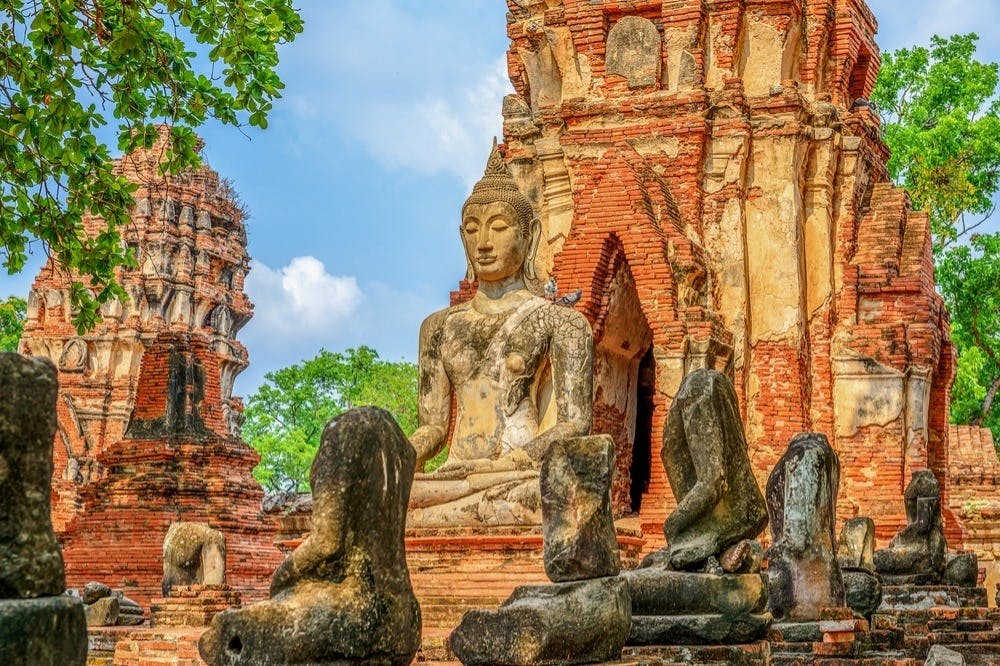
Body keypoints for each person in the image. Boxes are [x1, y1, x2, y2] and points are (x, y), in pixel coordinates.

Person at [407, 140, 593, 527]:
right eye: (473, 230)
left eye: (499, 227)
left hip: (517, 474)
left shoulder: (560, 322)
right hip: (452, 474)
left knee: (531, 498)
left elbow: (574, 423)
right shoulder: (438, 328)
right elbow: (434, 428)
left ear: (530, 237)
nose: (484, 243)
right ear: (462, 238)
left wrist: (516, 460)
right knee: (377, 497)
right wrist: (397, 459)